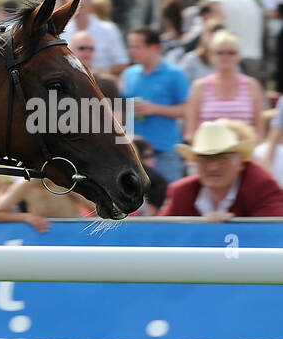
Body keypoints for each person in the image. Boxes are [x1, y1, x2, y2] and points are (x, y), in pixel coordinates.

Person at [159, 120, 283, 219]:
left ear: (240, 162)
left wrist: (231, 229)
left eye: (222, 158)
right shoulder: (181, 192)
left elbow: (274, 233)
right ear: (195, 163)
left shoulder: (262, 187)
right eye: (205, 158)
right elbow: (157, 235)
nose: (213, 167)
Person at [120, 27, 190, 184]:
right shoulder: (128, 74)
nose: (132, 51)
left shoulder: (175, 74)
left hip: (165, 152)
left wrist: (155, 108)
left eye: (137, 47)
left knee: (169, 201)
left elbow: (186, 110)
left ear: (154, 48)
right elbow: (122, 109)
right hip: (134, 153)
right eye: (130, 46)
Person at [185, 31, 265, 137]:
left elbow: (259, 129)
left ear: (238, 57)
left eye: (231, 52)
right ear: (211, 56)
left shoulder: (252, 85)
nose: (225, 56)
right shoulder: (200, 86)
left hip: (243, 151)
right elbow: (191, 130)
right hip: (208, 150)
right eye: (220, 52)